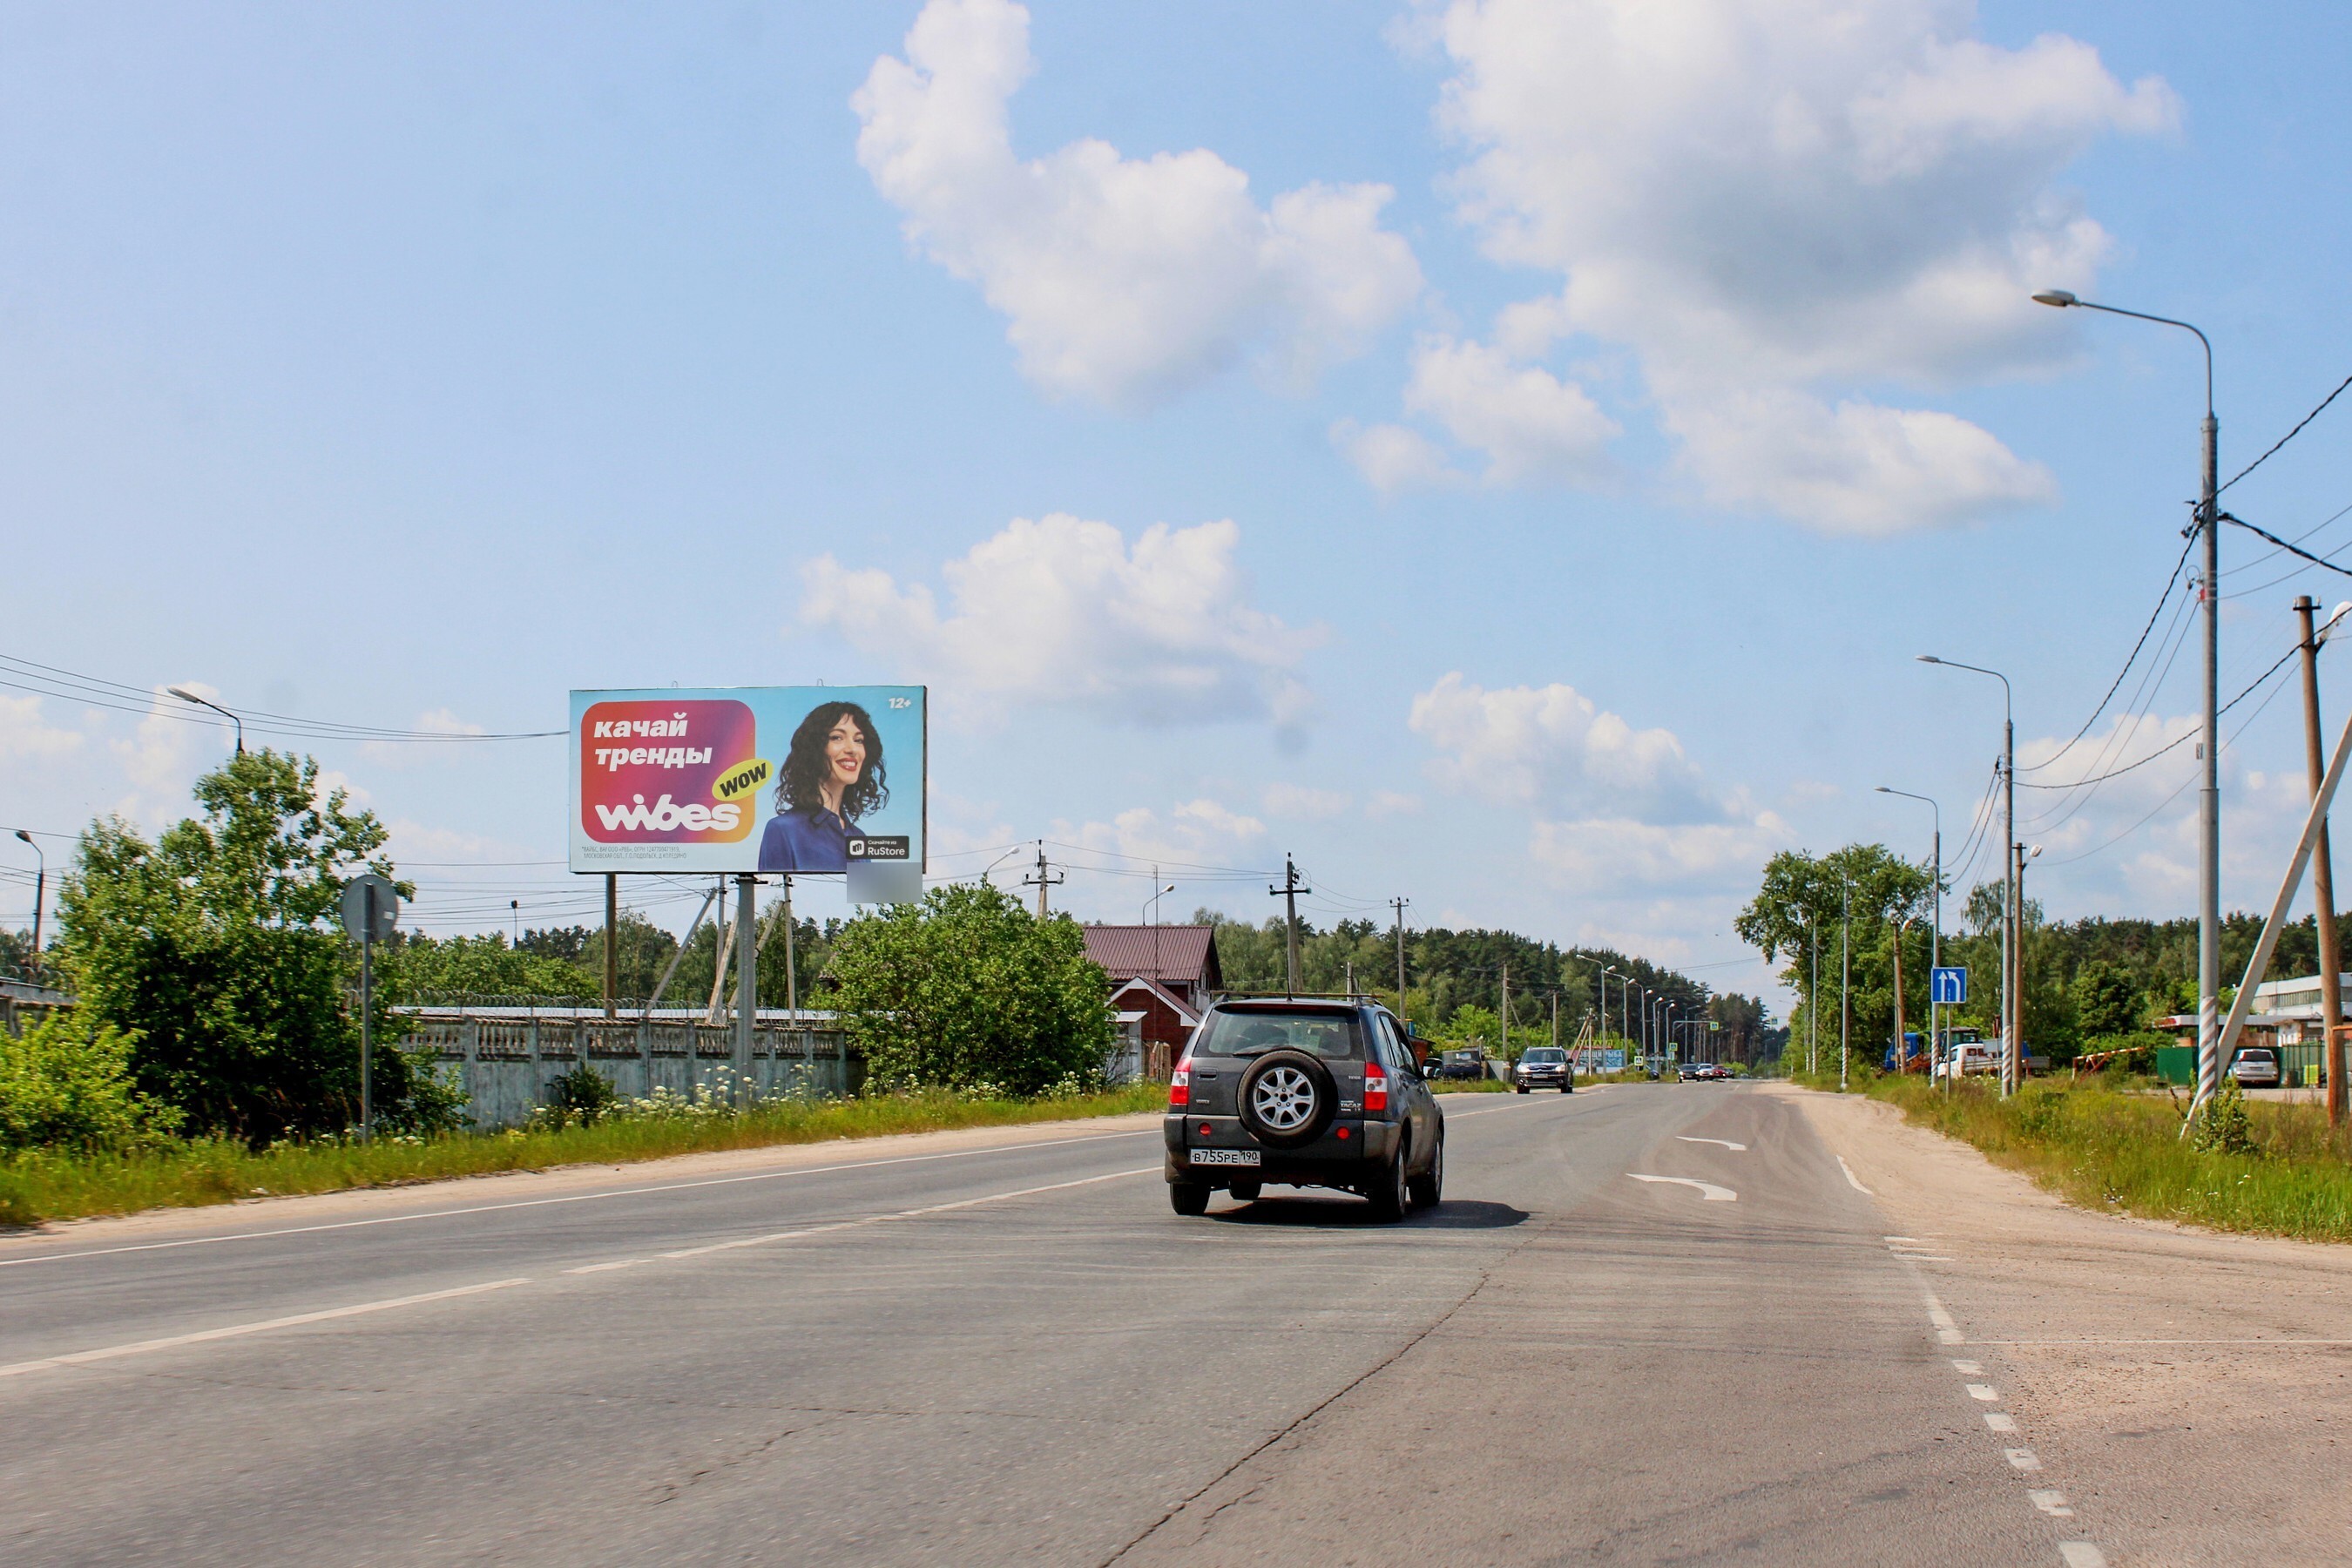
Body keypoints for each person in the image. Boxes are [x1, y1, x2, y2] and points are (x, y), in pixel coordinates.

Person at [758, 700, 889, 873]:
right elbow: (774, 891)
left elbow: (871, 897)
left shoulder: (858, 837)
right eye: (837, 737)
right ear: (814, 748)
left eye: (859, 740)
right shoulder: (783, 830)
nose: (852, 749)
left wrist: (910, 886)